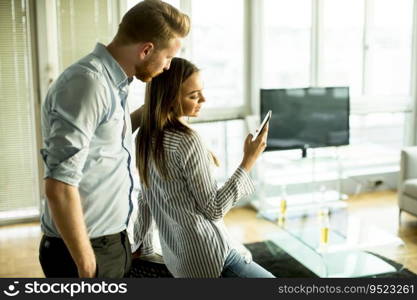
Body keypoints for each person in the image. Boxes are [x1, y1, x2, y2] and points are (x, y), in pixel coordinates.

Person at [39, 0, 190, 278]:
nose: (168, 67)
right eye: (168, 58)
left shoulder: (114, 82)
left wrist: (157, 109)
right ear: (146, 50)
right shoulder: (88, 84)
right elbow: (59, 187)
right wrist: (87, 266)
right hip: (83, 251)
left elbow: (106, 140)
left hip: (112, 242)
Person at [133, 57, 275, 278]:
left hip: (179, 261)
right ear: (169, 99)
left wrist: (142, 246)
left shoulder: (145, 137)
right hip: (210, 257)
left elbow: (145, 197)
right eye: (193, 95)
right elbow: (214, 209)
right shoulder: (187, 140)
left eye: (201, 91)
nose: (203, 99)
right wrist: (249, 160)